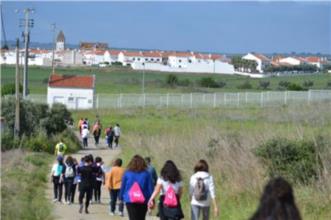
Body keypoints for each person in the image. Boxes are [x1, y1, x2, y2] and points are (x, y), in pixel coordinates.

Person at [120, 155, 154, 220]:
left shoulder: (127, 173)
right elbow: (150, 188)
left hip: (130, 199)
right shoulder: (147, 174)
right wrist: (152, 199)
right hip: (143, 199)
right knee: (141, 218)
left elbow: (123, 187)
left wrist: (121, 197)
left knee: (132, 217)